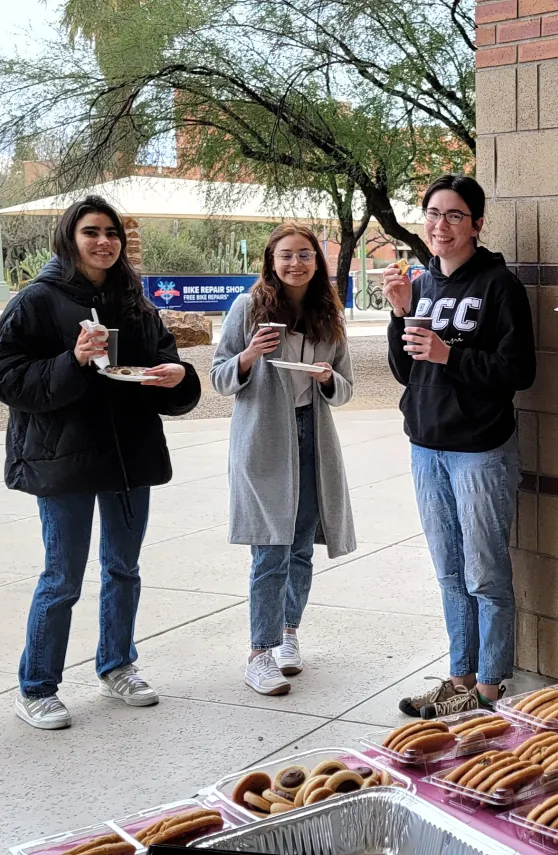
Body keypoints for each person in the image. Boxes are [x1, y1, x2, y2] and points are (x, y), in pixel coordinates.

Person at [0, 195, 201, 730]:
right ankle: (36, 686)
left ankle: (117, 665)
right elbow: (8, 381)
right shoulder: (36, 301)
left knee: (123, 568)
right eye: (91, 232)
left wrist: (177, 377)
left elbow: (162, 363)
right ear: (70, 237)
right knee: (62, 577)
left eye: (111, 232)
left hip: (129, 456)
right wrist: (73, 361)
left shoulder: (135, 301)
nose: (104, 242)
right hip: (63, 458)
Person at [383, 174, 535, 718]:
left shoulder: (499, 285)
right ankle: (459, 678)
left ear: (476, 224)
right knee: (448, 570)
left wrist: (453, 356)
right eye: (432, 213)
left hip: (479, 448)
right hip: (426, 445)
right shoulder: (421, 285)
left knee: (484, 572)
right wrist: (401, 312)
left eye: (453, 215)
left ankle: (491, 688)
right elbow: (405, 370)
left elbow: (519, 371)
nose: (440, 225)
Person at [211, 223, 356, 696]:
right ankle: (260, 652)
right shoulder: (247, 309)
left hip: (312, 438)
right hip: (264, 441)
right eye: (287, 255)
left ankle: (289, 633)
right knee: (270, 548)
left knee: (299, 548)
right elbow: (218, 377)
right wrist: (249, 356)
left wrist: (327, 377)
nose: (296, 264)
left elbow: (345, 389)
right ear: (271, 261)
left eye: (306, 255)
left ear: (318, 262)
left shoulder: (328, 315)